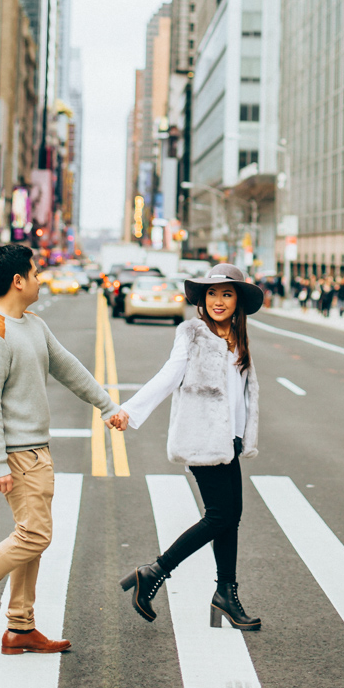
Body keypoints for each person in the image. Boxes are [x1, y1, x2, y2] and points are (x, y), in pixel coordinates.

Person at [0, 244, 120, 657]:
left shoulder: (32, 324)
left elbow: (68, 366)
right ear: (18, 280)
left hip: (37, 450)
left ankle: (20, 627)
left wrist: (107, 406)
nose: (40, 279)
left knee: (28, 537)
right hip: (17, 455)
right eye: (35, 273)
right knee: (35, 536)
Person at [114, 264, 262, 631]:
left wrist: (243, 434)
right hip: (202, 438)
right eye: (212, 294)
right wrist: (129, 410)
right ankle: (155, 571)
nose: (218, 301)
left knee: (232, 517)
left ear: (237, 301)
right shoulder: (192, 334)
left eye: (227, 294)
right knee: (219, 516)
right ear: (202, 299)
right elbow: (168, 375)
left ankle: (226, 593)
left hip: (229, 442)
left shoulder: (238, 338)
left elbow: (241, 394)